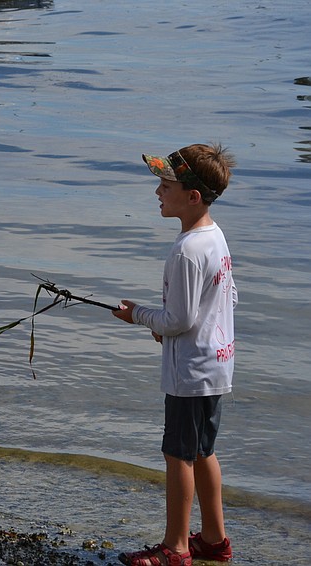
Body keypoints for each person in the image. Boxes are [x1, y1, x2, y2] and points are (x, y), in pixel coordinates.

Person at [113, 143, 237, 566]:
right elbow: (224, 300)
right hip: (216, 363)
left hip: (190, 371)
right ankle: (215, 540)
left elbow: (178, 319)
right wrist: (169, 329)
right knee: (203, 450)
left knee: (178, 455)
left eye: (165, 185)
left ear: (193, 196)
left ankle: (177, 547)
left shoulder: (186, 250)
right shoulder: (214, 237)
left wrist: (138, 316)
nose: (158, 193)